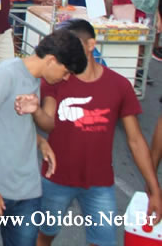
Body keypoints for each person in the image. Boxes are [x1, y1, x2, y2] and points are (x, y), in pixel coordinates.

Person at [8, 19, 162, 246]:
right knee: (42, 236)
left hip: (100, 184)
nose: (66, 50)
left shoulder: (119, 85)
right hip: (55, 179)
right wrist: (36, 111)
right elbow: (48, 122)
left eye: (73, 43)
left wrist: (154, 189)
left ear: (91, 45)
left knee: (103, 241)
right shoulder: (55, 80)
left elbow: (136, 140)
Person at [0, 30, 87, 246]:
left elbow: (11, 122)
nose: (65, 78)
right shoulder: (5, 75)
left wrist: (40, 142)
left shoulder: (35, 79)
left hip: (26, 192)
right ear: (51, 60)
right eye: (65, 71)